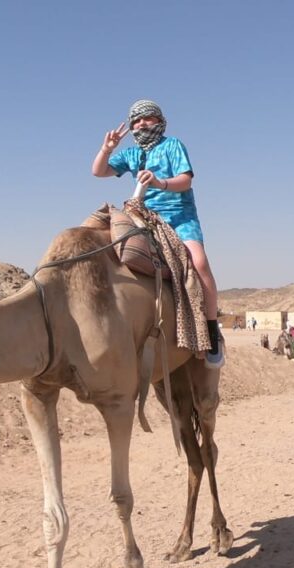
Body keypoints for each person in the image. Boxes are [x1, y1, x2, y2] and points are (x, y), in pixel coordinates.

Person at [92, 99, 224, 369]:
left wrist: (159, 182)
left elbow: (185, 180)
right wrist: (107, 149)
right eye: (136, 121)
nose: (141, 124)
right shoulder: (132, 154)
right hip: (144, 216)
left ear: (159, 121)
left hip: (179, 216)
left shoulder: (172, 145)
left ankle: (212, 332)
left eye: (147, 118)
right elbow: (99, 171)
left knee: (198, 263)